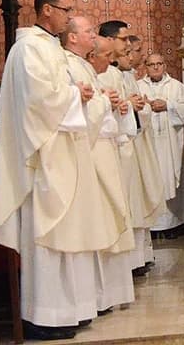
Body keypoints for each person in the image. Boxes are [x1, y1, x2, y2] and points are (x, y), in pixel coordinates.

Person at [0, 0, 106, 340]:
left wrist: (80, 94)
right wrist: (76, 94)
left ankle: (72, 308)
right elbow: (38, 101)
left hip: (62, 152)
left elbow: (58, 95)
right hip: (43, 159)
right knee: (48, 236)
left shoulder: (49, 49)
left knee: (68, 233)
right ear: (45, 11)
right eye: (65, 10)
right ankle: (45, 315)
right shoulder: (27, 50)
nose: (70, 16)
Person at [76, 27, 137, 312]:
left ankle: (112, 293)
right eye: (106, 57)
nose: (109, 62)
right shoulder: (82, 73)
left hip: (107, 151)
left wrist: (119, 107)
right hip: (94, 154)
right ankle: (101, 295)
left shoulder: (100, 74)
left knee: (116, 218)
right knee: (104, 221)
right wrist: (105, 102)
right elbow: (83, 119)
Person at [102, 20, 163, 273]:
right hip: (120, 147)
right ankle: (132, 261)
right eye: (125, 43)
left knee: (137, 204)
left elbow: (136, 109)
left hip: (134, 144)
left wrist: (140, 107)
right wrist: (130, 107)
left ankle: (140, 257)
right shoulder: (106, 74)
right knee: (128, 205)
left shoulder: (124, 75)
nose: (130, 49)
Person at [138, 52, 184, 234]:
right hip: (149, 143)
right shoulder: (138, 87)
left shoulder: (177, 87)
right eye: (151, 64)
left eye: (159, 63)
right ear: (146, 67)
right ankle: (153, 226)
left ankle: (173, 225)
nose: (156, 67)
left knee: (171, 176)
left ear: (165, 66)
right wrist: (147, 106)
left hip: (170, 143)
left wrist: (168, 105)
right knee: (151, 179)